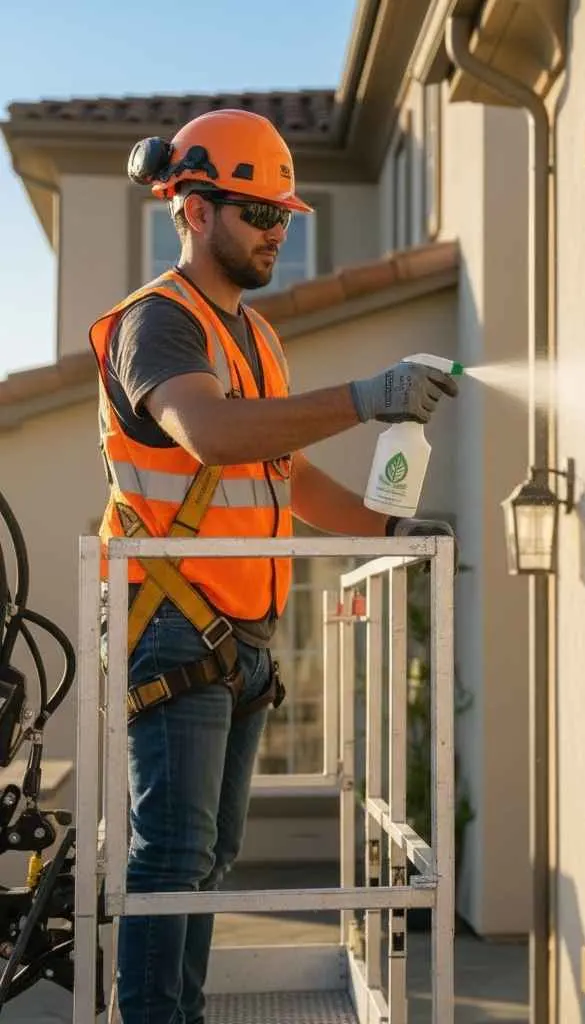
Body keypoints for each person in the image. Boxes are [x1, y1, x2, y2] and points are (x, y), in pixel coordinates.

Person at [87, 108, 459, 1024]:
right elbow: (211, 437)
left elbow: (277, 472)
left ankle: (185, 1012)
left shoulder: (255, 339)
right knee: (171, 857)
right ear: (193, 208)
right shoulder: (160, 326)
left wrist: (383, 531)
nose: (276, 231)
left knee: (207, 861)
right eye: (257, 215)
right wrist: (365, 397)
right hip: (169, 620)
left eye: (283, 216)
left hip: (236, 629)